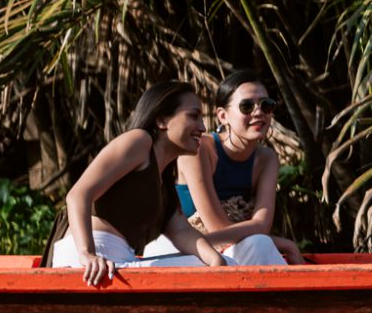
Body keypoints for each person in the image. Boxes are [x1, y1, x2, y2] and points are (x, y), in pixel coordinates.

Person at [51, 81, 275, 286]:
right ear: (161, 120)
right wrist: (87, 253)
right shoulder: (139, 141)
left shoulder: (164, 180)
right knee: (231, 267)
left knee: (228, 266)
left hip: (122, 263)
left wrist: (216, 262)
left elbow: (181, 231)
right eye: (193, 116)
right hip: (92, 261)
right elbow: (78, 194)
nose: (203, 127)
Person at [145, 69, 305, 265]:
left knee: (259, 243)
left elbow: (262, 225)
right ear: (222, 116)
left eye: (266, 105)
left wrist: (271, 239)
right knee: (260, 243)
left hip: (230, 246)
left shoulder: (266, 159)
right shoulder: (198, 149)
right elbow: (217, 227)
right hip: (180, 246)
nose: (258, 112)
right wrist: (284, 244)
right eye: (246, 106)